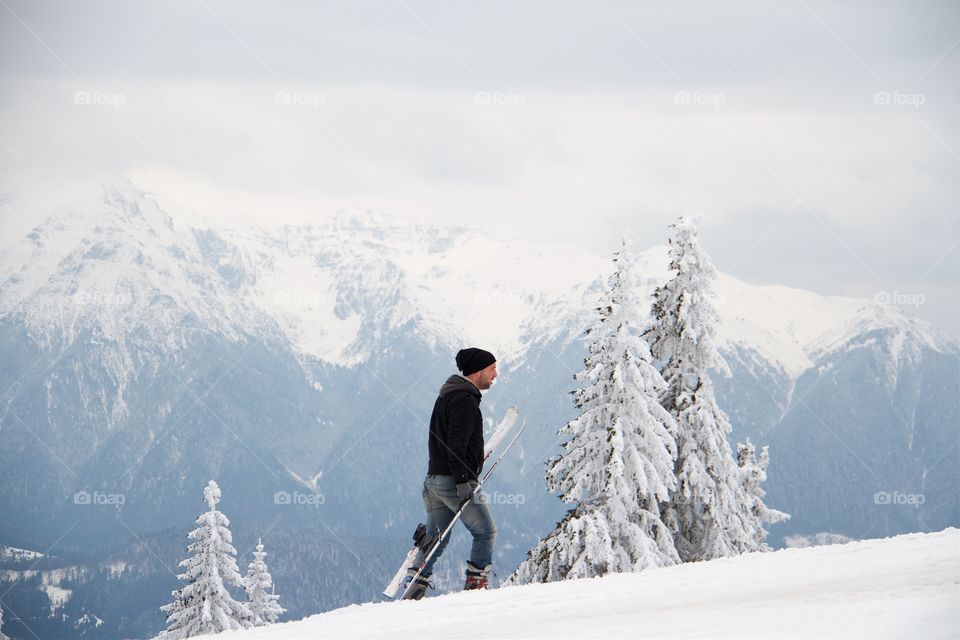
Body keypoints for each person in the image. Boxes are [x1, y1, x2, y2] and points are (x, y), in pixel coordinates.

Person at [403, 347, 499, 600]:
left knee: (436, 539)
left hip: (433, 481)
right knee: (485, 532)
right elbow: (455, 444)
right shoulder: (465, 400)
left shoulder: (447, 395)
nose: (495, 375)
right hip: (453, 483)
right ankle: (475, 588)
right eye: (491, 369)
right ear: (477, 372)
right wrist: (464, 480)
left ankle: (414, 585)